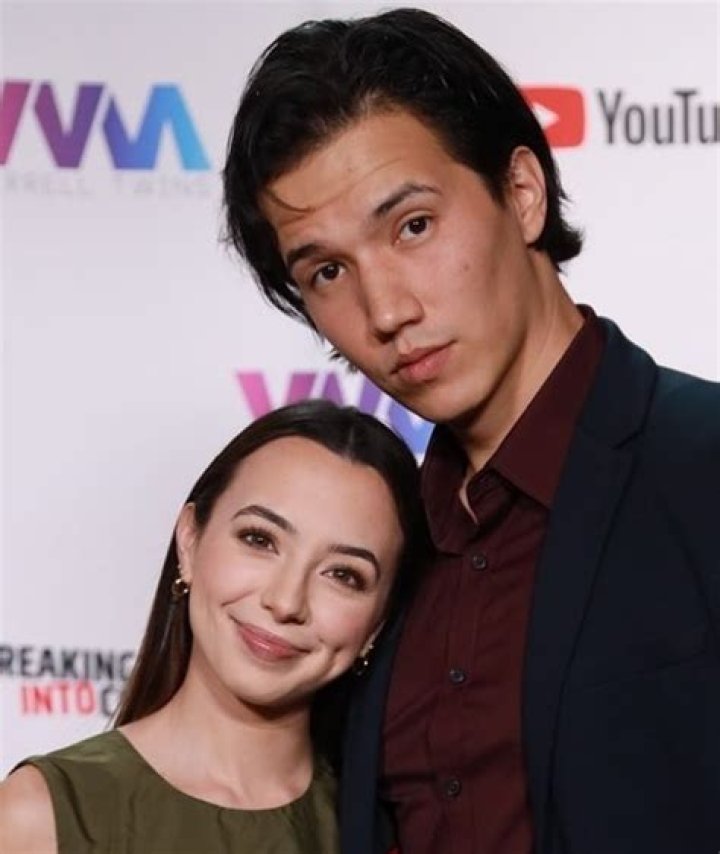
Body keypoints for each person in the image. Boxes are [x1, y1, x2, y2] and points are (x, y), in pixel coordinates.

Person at [221, 8, 720, 854]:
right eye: (328, 271)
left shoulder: (702, 466)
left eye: (413, 226)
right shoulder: (379, 550)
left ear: (521, 193)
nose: (386, 311)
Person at [0, 400, 426, 854]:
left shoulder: (404, 832)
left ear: (379, 623)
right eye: (259, 539)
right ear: (189, 541)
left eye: (343, 575)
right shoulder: (41, 816)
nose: (285, 601)